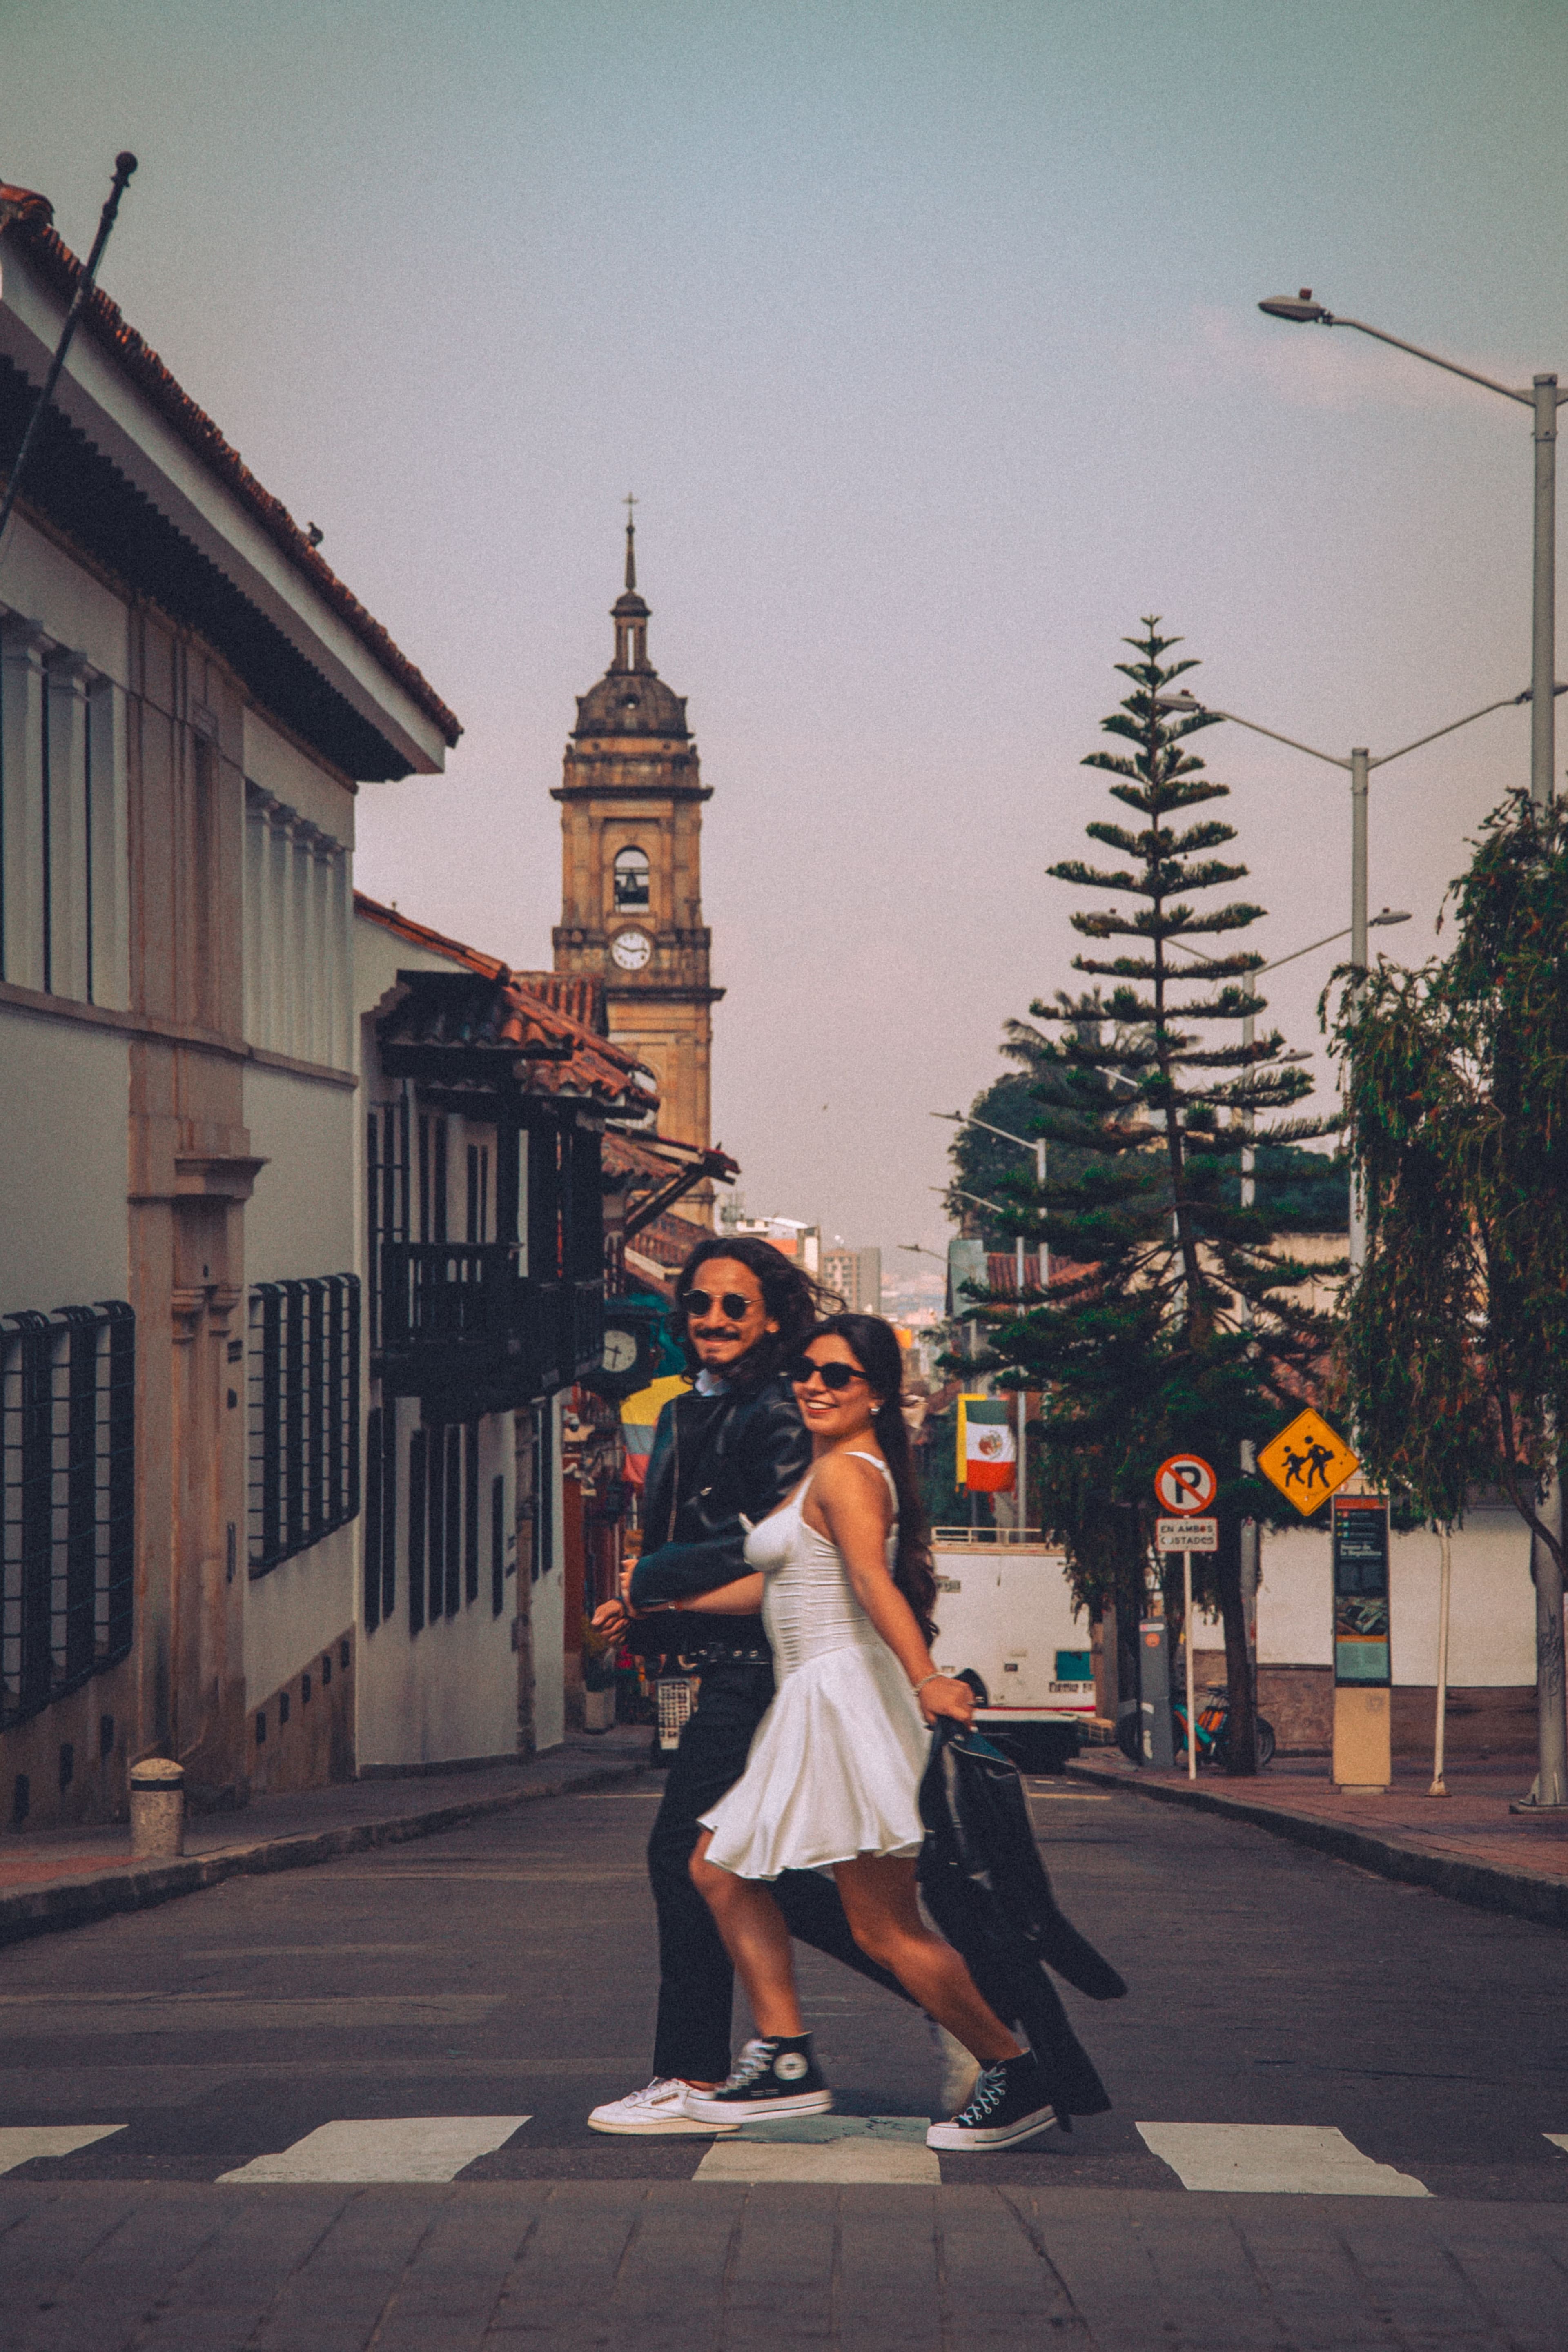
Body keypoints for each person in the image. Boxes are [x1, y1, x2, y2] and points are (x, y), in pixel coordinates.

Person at [684, 1313, 1059, 2153]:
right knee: (720, 1868)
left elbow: (866, 1580)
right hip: (814, 1698)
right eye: (805, 1371)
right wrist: (659, 1608)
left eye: (837, 1376)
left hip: (840, 1697)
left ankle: (1012, 2068)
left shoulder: (849, 1472)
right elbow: (778, 1584)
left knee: (881, 1928)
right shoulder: (827, 1470)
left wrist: (928, 1677)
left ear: (878, 1394)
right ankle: (786, 2054)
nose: (813, 1386)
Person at [586, 1238, 909, 2138]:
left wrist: (655, 1582)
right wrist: (652, 1614)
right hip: (726, 1660)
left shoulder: (778, 1412)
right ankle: (954, 1993)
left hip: (769, 1667)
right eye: (699, 1304)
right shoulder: (690, 1408)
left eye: (736, 1305)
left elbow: (781, 1548)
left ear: (771, 1317)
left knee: (689, 1858)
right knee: (755, 1868)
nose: (715, 1320)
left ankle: (691, 2074)